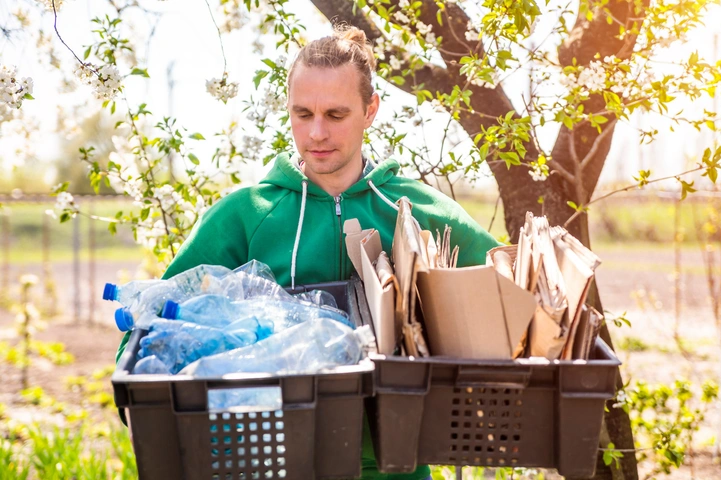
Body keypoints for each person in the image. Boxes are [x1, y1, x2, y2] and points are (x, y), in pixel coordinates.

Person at [115, 25, 500, 480]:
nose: (317, 133)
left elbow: (508, 304)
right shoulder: (245, 215)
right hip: (273, 461)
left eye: (336, 114)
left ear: (370, 110)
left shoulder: (416, 211)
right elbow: (151, 326)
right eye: (303, 114)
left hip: (396, 466)